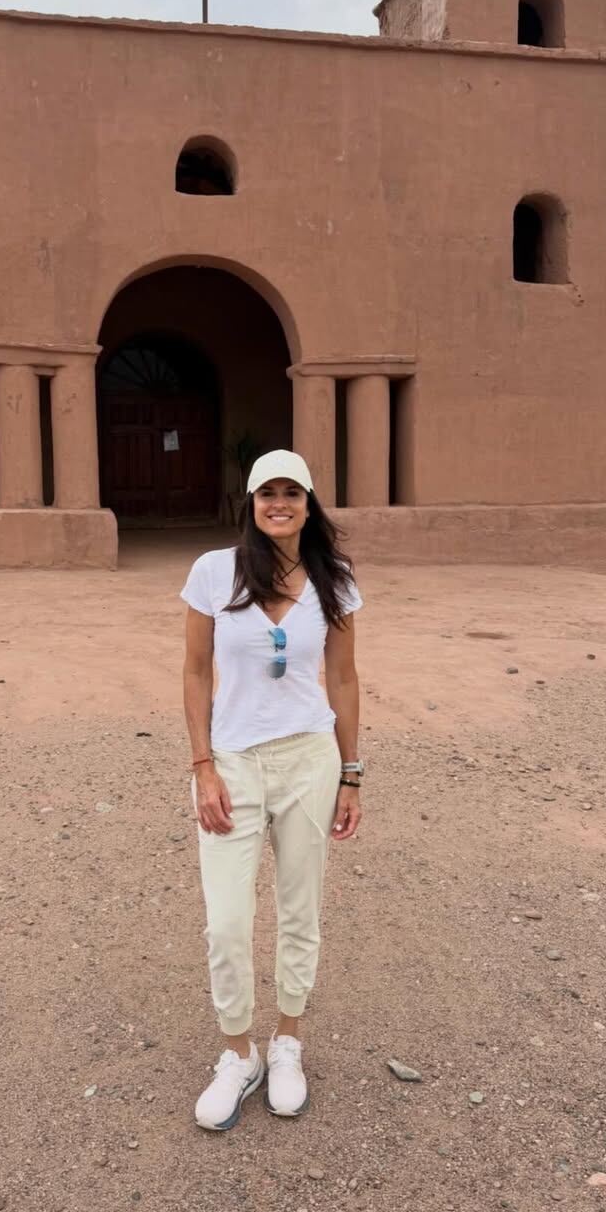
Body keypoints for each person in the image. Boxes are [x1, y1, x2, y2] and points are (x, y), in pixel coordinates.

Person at [181, 448, 364, 1131]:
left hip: (310, 760)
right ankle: (239, 1053)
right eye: (267, 493)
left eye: (292, 492)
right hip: (232, 761)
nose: (279, 503)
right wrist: (202, 764)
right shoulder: (213, 573)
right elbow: (195, 671)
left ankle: (288, 1041)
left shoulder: (334, 580)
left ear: (310, 504)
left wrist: (351, 773)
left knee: (299, 908)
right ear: (251, 503)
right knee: (226, 921)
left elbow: (343, 680)